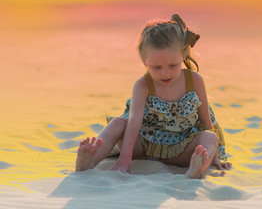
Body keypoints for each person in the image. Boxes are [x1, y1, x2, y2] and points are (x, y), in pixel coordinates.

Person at [75, 14, 232, 179]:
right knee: (118, 123)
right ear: (144, 62)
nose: (166, 72)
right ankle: (89, 161)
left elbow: (206, 122)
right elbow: (134, 121)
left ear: (183, 55)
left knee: (209, 136)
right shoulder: (143, 85)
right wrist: (125, 159)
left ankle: (196, 169)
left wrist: (214, 155)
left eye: (173, 65)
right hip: (145, 147)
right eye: (156, 67)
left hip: (183, 149)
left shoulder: (194, 81)